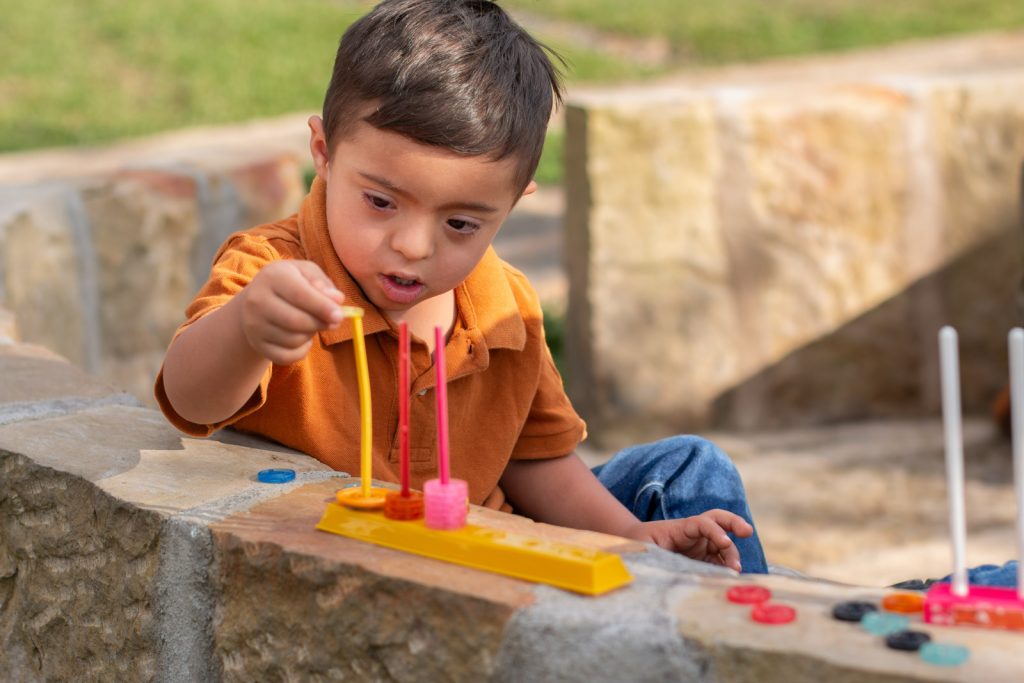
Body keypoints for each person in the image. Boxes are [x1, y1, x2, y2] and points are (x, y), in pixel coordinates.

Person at [155, 0, 767, 574]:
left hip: (488, 539)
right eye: (380, 201)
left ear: (511, 205)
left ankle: (743, 633)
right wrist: (246, 330)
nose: (414, 246)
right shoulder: (274, 272)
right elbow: (190, 401)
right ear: (324, 153)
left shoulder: (506, 308)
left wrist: (631, 536)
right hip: (357, 551)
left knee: (692, 468)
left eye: (460, 223)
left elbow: (536, 459)